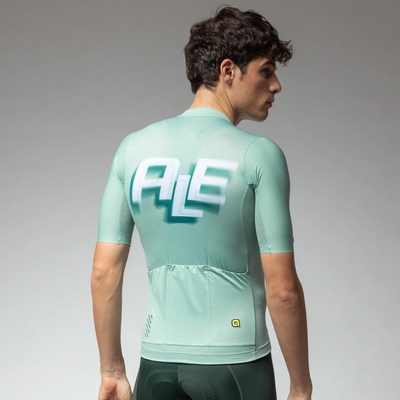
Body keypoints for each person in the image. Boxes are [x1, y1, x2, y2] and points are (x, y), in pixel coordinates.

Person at [91, 6, 312, 400]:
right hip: (236, 363)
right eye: (266, 71)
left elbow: (103, 273)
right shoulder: (259, 155)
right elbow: (283, 290)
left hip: (156, 364)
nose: (276, 85)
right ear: (228, 71)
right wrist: (300, 386)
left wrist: (111, 371)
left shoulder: (132, 149)